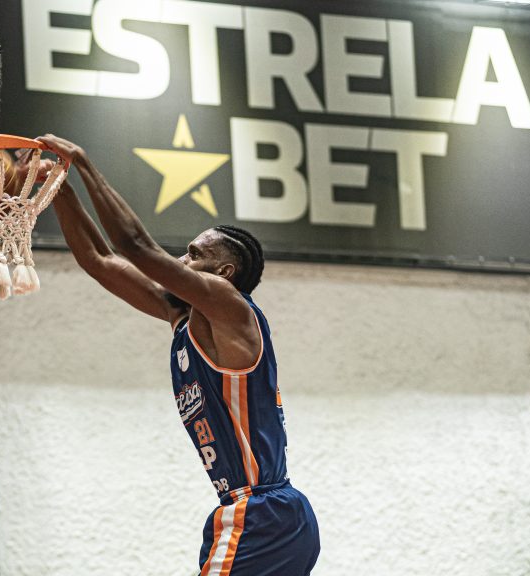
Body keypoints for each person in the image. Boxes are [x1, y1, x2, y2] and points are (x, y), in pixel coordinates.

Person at [33, 134, 320, 576]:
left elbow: (135, 247)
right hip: (260, 512)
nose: (181, 260)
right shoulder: (182, 317)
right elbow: (99, 259)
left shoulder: (230, 308)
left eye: (194, 254)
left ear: (223, 272)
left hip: (260, 514)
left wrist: (84, 164)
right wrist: (57, 185)